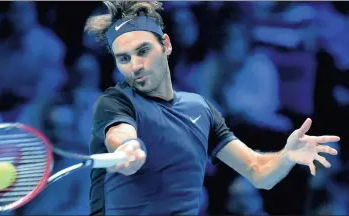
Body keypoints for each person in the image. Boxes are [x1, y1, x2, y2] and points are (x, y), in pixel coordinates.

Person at [84, 1, 341, 215]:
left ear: (166, 45)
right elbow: (119, 131)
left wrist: (285, 156)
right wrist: (128, 146)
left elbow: (257, 171)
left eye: (143, 50)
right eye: (124, 58)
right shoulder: (117, 102)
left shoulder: (199, 108)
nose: (136, 65)